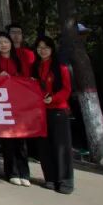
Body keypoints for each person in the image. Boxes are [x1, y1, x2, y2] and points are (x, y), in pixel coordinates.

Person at [0, 32, 32, 186]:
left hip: (19, 104)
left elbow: (28, 79)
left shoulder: (20, 60)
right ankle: (11, 172)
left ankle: (24, 173)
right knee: (6, 139)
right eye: (0, 42)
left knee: (20, 139)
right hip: (1, 104)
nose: (3, 45)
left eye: (6, 42)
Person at [34, 34, 74, 194]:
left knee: (61, 147)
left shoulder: (60, 67)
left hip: (58, 110)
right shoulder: (35, 67)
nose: (42, 50)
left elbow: (66, 89)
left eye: (46, 47)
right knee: (44, 147)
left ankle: (65, 181)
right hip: (40, 112)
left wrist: (53, 98)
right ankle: (50, 178)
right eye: (39, 47)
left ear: (52, 49)